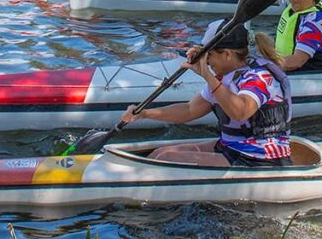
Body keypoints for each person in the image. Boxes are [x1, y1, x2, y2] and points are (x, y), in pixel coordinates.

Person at [119, 19, 293, 167]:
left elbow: (241, 112)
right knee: (161, 153)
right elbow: (189, 110)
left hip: (261, 158)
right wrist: (145, 114)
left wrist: (207, 76)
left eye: (208, 56)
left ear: (226, 54)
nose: (207, 62)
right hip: (233, 148)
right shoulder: (223, 78)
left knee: (166, 159)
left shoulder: (260, 77)